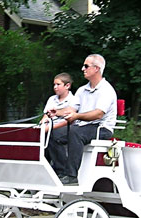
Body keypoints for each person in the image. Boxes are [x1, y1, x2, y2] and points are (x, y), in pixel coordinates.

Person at [49, 54, 117, 185]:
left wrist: (77, 116)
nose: (82, 69)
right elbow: (71, 109)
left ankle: (72, 176)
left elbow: (98, 114)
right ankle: (61, 171)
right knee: (53, 134)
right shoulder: (82, 90)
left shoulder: (107, 90)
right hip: (83, 127)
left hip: (101, 128)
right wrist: (56, 112)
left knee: (75, 131)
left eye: (86, 66)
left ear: (96, 68)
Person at [40, 73, 77, 176]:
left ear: (67, 86)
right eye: (54, 84)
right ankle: (41, 167)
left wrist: (49, 129)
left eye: (58, 84)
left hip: (66, 127)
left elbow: (68, 120)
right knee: (38, 136)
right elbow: (46, 116)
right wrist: (42, 125)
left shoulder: (73, 100)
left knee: (53, 135)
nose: (55, 87)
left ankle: (61, 170)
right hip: (50, 127)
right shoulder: (52, 99)